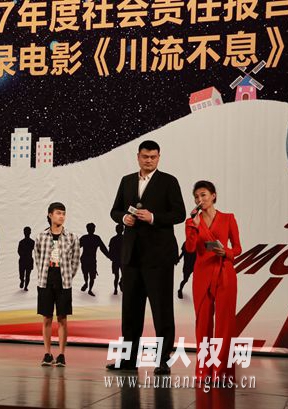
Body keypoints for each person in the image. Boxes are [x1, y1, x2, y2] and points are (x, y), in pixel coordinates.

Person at [108, 140, 186, 375]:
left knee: (162, 310)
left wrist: (153, 217)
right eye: (145, 156)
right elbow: (115, 210)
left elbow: (179, 214)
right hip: (131, 255)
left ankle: (163, 359)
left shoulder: (169, 181)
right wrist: (124, 218)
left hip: (159, 256)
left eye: (153, 157)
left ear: (159, 157)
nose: (149, 160)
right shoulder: (127, 181)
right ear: (138, 157)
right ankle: (128, 359)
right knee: (130, 310)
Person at [185, 180, 241, 383]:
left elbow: (238, 248)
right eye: (196, 197)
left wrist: (225, 251)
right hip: (202, 274)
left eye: (203, 195)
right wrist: (193, 227)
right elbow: (190, 248)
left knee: (225, 324)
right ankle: (204, 370)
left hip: (225, 272)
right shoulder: (191, 221)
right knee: (203, 324)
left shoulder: (228, 218)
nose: (200, 199)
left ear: (213, 196)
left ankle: (223, 371)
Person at [34, 202, 80, 367]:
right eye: (58, 213)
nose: (61, 216)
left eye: (63, 213)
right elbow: (38, 258)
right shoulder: (41, 237)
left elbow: (75, 261)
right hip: (46, 280)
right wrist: (44, 273)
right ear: (50, 215)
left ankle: (61, 354)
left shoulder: (72, 237)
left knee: (62, 318)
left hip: (64, 280)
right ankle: (47, 354)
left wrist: (67, 276)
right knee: (47, 317)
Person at [79, 223, 110, 296]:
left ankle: (88, 286)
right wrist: (109, 256)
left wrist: (109, 256)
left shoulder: (85, 238)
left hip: (86, 259)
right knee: (89, 275)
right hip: (89, 260)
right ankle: (88, 286)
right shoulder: (96, 238)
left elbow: (76, 247)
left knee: (88, 274)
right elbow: (103, 248)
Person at [108, 224, 124, 295]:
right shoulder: (125, 238)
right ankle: (118, 287)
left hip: (116, 260)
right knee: (122, 275)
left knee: (116, 276)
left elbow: (110, 251)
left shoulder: (113, 239)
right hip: (122, 260)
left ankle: (115, 289)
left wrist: (111, 257)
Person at [18, 226, 35, 291]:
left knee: (25, 274)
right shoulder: (32, 242)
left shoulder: (22, 242)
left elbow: (19, 251)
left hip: (24, 260)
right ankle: (23, 283)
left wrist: (23, 255)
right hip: (27, 260)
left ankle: (24, 284)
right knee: (26, 275)